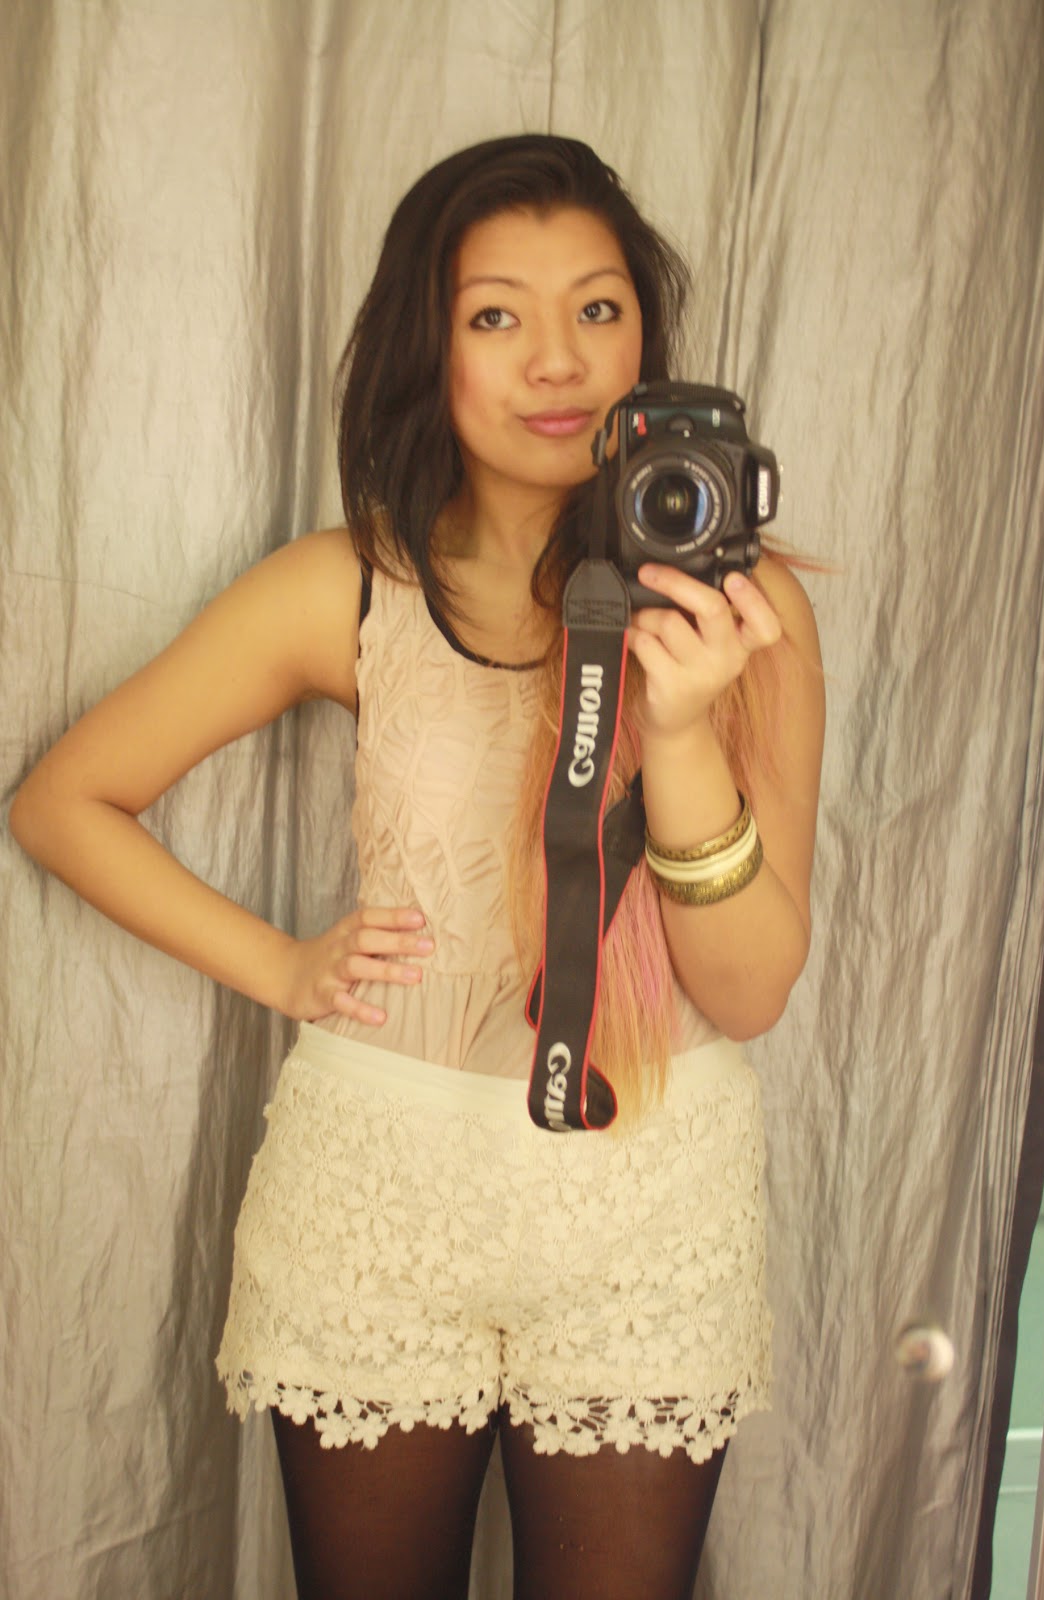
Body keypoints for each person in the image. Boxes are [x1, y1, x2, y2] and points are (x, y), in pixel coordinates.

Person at [11, 135, 824, 1600]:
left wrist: (681, 728)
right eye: (496, 314)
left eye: (598, 308)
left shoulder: (743, 607)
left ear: (646, 339)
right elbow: (66, 801)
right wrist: (284, 966)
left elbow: (753, 989)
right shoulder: (351, 584)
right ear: (427, 347)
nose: (557, 359)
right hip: (379, 1190)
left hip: (647, 1201)